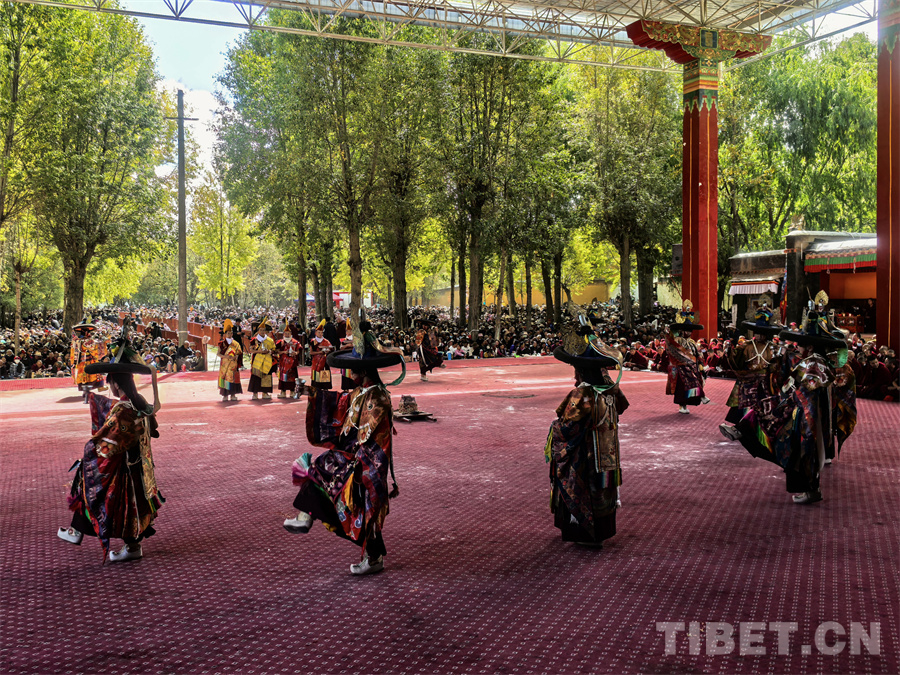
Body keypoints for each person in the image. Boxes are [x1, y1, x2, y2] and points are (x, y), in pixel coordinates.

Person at [283, 320, 405, 575]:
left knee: (363, 507)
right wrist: (309, 391)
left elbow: (372, 439)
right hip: (354, 455)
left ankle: (373, 558)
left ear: (364, 370)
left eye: (353, 369)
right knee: (320, 466)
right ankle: (306, 515)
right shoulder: (361, 391)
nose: (349, 373)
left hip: (369, 462)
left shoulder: (378, 398)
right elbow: (340, 402)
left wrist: (358, 462)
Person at [734, 292, 856, 504]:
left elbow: (803, 388)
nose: (797, 347)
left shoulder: (814, 364)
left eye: (800, 344)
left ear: (809, 346)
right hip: (805, 412)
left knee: (804, 450)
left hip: (808, 416)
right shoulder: (813, 361)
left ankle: (811, 490)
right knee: (799, 448)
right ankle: (810, 489)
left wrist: (781, 401)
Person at [57, 359, 163, 563]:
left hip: (122, 468)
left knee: (92, 485)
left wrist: (90, 451)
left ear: (116, 384)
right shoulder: (139, 403)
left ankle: (76, 531)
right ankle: (132, 546)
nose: (110, 387)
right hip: (139, 466)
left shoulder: (122, 411)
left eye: (110, 383)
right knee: (130, 508)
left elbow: (107, 444)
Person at [544, 312, 628, 548]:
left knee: (583, 487)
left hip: (585, 455)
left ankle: (584, 532)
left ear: (580, 371)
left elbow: (566, 427)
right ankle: (601, 531)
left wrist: (554, 429)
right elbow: (621, 408)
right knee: (602, 489)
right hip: (607, 454)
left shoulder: (582, 394)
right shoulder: (611, 391)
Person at [719, 302, 782, 441]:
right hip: (747, 381)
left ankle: (758, 431)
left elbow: (776, 367)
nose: (759, 336)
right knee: (744, 406)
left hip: (765, 383)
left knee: (763, 407)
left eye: (762, 333)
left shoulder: (772, 347)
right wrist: (730, 349)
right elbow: (736, 360)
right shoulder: (746, 346)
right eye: (757, 332)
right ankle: (739, 428)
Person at [664, 300, 710, 414]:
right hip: (681, 367)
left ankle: (699, 397)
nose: (689, 333)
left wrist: (700, 364)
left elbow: (697, 354)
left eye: (690, 331)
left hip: (692, 367)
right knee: (682, 388)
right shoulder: (678, 340)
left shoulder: (692, 342)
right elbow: (672, 348)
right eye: (686, 331)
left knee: (694, 383)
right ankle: (684, 405)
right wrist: (669, 334)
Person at [69, 321, 106, 404]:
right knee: (90, 376)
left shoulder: (76, 341)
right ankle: (88, 391)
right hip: (88, 360)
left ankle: (85, 391)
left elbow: (73, 351)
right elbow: (93, 349)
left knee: (85, 377)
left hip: (80, 361)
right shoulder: (88, 341)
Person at [248, 318, 276, 400]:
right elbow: (251, 350)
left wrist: (269, 351)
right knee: (256, 376)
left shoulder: (270, 340)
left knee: (266, 376)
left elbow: (274, 349)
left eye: (264, 330)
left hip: (267, 361)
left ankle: (265, 393)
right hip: (257, 361)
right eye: (261, 330)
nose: (262, 332)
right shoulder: (254, 340)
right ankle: (255, 393)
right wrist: (260, 351)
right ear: (258, 331)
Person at [217, 319, 243, 402]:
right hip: (225, 364)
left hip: (233, 364)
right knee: (225, 378)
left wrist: (236, 357)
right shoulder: (222, 343)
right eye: (228, 333)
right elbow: (218, 354)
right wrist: (226, 356)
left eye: (231, 333)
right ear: (225, 334)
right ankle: (225, 395)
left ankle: (233, 395)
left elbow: (239, 352)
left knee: (233, 378)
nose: (230, 334)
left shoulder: (236, 343)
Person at [275, 327, 303, 399]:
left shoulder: (295, 342)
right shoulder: (280, 342)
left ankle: (292, 392)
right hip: (283, 363)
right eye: (286, 333)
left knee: (293, 377)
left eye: (288, 333)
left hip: (292, 363)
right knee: (282, 377)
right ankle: (283, 392)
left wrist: (295, 353)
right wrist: (284, 352)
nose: (287, 335)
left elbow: (299, 350)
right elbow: (276, 351)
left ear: (291, 334)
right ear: (284, 334)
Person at [415, 318, 444, 382]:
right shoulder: (421, 331)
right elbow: (418, 341)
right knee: (423, 362)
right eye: (424, 325)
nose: (425, 326)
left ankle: (438, 364)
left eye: (426, 325)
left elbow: (433, 340)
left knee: (436, 357)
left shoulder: (429, 332)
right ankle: (423, 375)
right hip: (423, 349)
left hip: (429, 348)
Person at [309, 320, 334, 390]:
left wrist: (328, 351)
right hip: (316, 362)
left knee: (325, 377)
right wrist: (319, 353)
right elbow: (311, 352)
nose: (320, 334)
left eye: (321, 332)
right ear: (316, 333)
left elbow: (331, 348)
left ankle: (325, 391)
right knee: (316, 380)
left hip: (325, 362)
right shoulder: (313, 341)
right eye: (319, 332)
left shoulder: (326, 341)